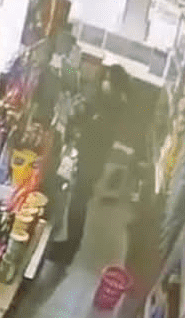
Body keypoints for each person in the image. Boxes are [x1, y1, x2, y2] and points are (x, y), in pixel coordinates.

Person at [50, 64, 132, 268]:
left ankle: (69, 248)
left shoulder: (111, 107)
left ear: (113, 84)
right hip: (92, 159)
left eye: (107, 80)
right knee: (78, 202)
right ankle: (69, 243)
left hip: (92, 161)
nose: (103, 82)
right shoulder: (113, 102)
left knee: (79, 203)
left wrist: (82, 118)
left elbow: (93, 128)